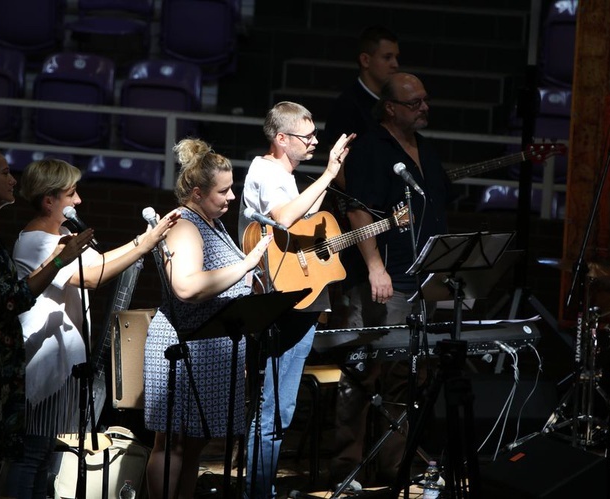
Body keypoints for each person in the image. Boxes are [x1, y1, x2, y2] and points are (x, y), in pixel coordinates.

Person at [8, 158, 180, 499]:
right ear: (49, 200)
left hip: (62, 366)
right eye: (72, 194)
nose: (79, 201)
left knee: (46, 459)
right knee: (33, 456)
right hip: (42, 364)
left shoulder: (64, 235)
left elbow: (98, 264)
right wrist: (143, 245)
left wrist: (140, 242)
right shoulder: (35, 241)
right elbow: (86, 277)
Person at [0, 146, 94, 498]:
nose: (13, 180)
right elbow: (14, 297)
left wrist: (58, 259)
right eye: (5, 172)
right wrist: (59, 260)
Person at [329, 73, 453, 487]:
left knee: (408, 378)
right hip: (386, 281)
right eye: (414, 102)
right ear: (391, 108)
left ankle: (394, 468)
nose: (424, 107)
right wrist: (375, 267)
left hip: (422, 281)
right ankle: (347, 470)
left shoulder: (425, 151)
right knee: (362, 374)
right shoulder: (370, 147)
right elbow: (359, 210)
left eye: (425, 100)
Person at [143, 138, 273, 499]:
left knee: (195, 445)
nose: (232, 197)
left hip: (211, 348)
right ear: (197, 193)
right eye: (224, 190)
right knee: (172, 444)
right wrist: (246, 264)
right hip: (183, 348)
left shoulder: (211, 222)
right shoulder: (185, 225)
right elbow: (185, 287)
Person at [238, 101, 355, 498]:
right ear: (281, 138)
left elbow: (303, 221)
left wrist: (327, 177)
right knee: (275, 409)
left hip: (298, 299)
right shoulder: (267, 172)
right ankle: (258, 491)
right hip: (281, 302)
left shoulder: (282, 174)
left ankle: (261, 488)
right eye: (307, 137)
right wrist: (328, 175)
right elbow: (285, 218)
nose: (314, 142)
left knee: (277, 409)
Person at [323, 25, 400, 191]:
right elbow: (337, 166)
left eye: (396, 57)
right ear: (365, 60)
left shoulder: (394, 102)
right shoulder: (346, 106)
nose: (395, 64)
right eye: (387, 57)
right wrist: (361, 207)